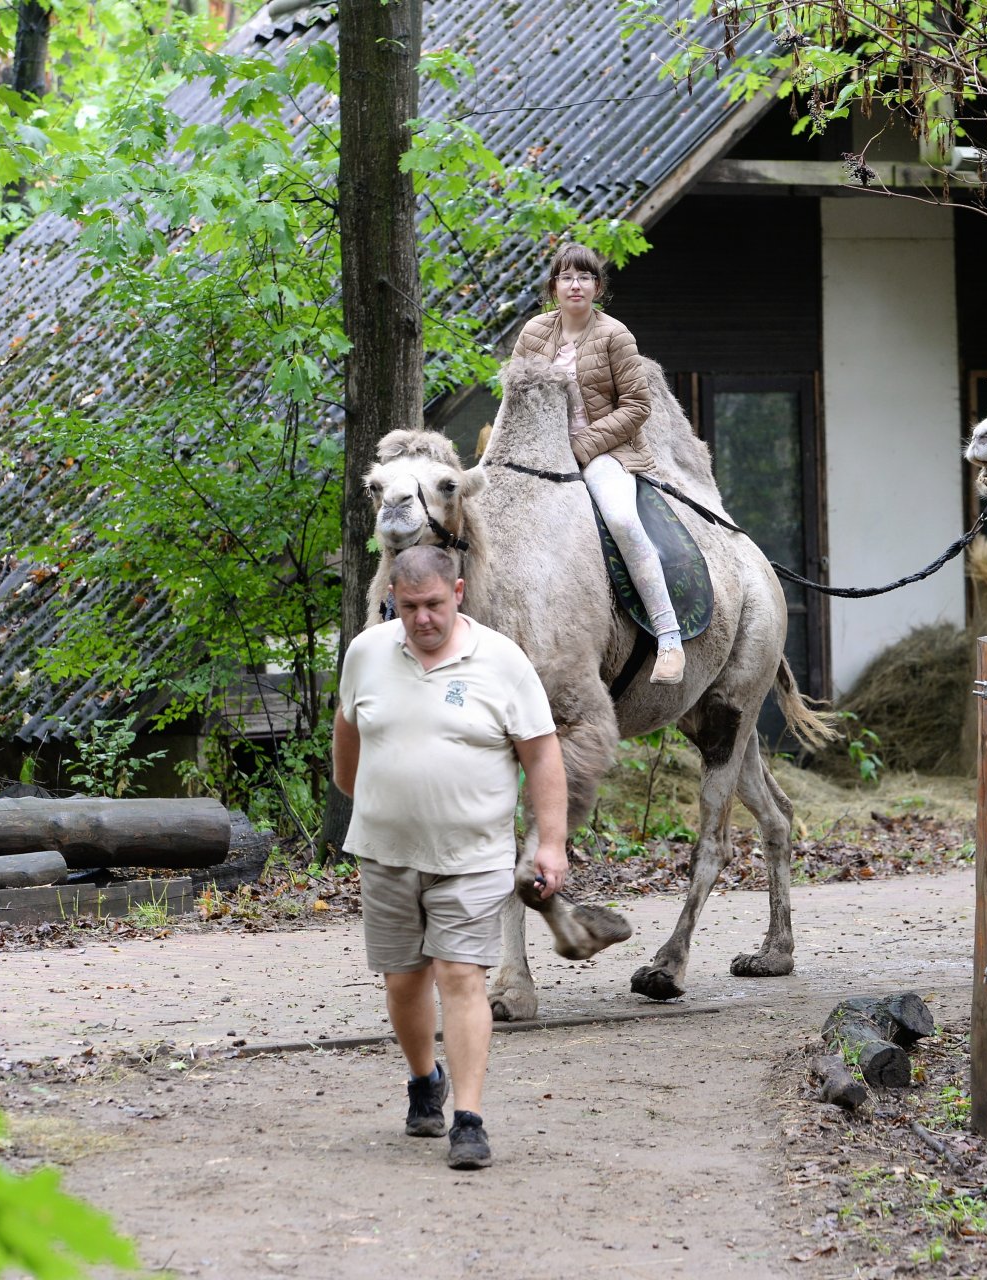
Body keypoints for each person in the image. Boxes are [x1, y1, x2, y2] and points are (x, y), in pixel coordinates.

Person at [332, 544, 569, 1171]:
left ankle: (469, 1118)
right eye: (408, 607)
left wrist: (550, 843)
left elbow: (542, 754)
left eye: (434, 604)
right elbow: (347, 733)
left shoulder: (501, 661)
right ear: (393, 601)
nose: (422, 619)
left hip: (472, 854)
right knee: (403, 979)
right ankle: (422, 1080)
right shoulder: (366, 653)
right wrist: (370, 798)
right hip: (385, 852)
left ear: (457, 593)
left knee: (460, 976)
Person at [512, 243, 685, 685]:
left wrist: (584, 446)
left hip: (607, 453)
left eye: (585, 277)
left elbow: (636, 406)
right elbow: (516, 400)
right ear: (553, 287)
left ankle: (669, 638)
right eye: (567, 277)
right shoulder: (533, 333)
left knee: (623, 521)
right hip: (540, 456)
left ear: (598, 287)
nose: (576, 284)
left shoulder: (615, 335)